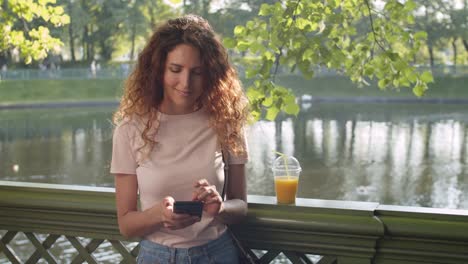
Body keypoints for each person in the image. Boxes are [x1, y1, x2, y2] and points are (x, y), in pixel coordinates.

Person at [111, 15, 250, 264]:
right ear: (158, 69)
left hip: (218, 254)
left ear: (210, 74)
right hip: (156, 256)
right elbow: (126, 224)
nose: (186, 83)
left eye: (197, 73)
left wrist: (220, 207)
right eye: (176, 70)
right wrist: (157, 215)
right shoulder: (130, 129)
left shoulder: (226, 122)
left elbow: (241, 206)